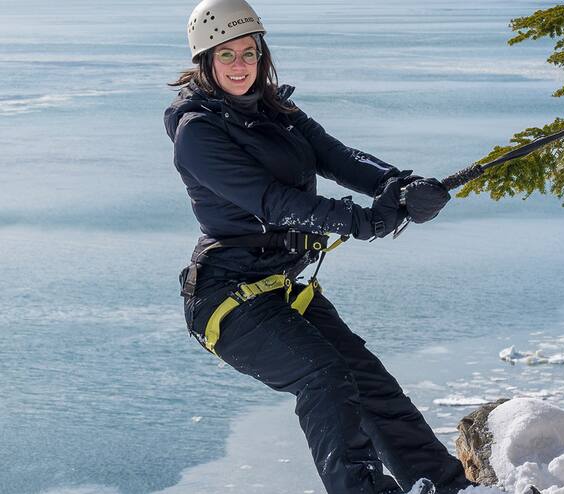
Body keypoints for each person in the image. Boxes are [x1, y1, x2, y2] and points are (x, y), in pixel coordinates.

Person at [164, 1, 473, 492]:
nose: (242, 65)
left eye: (250, 52)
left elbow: (337, 157)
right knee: (325, 378)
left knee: (370, 384)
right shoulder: (197, 133)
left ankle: (449, 485)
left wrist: (400, 185)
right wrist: (361, 221)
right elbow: (271, 201)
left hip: (281, 287)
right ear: (205, 61)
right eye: (228, 56)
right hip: (228, 299)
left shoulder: (276, 111)